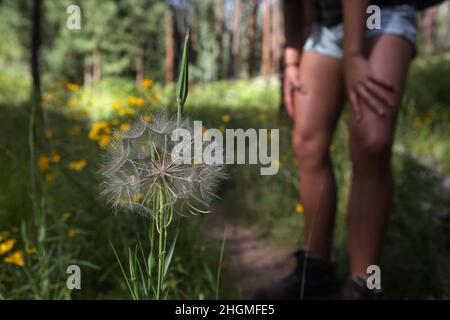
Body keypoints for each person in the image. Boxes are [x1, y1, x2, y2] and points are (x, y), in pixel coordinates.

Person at [256, 0, 431, 299]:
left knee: (371, 141)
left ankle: (364, 283)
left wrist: (353, 54)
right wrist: (292, 57)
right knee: (307, 143)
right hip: (326, 27)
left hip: (380, 17)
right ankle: (316, 272)